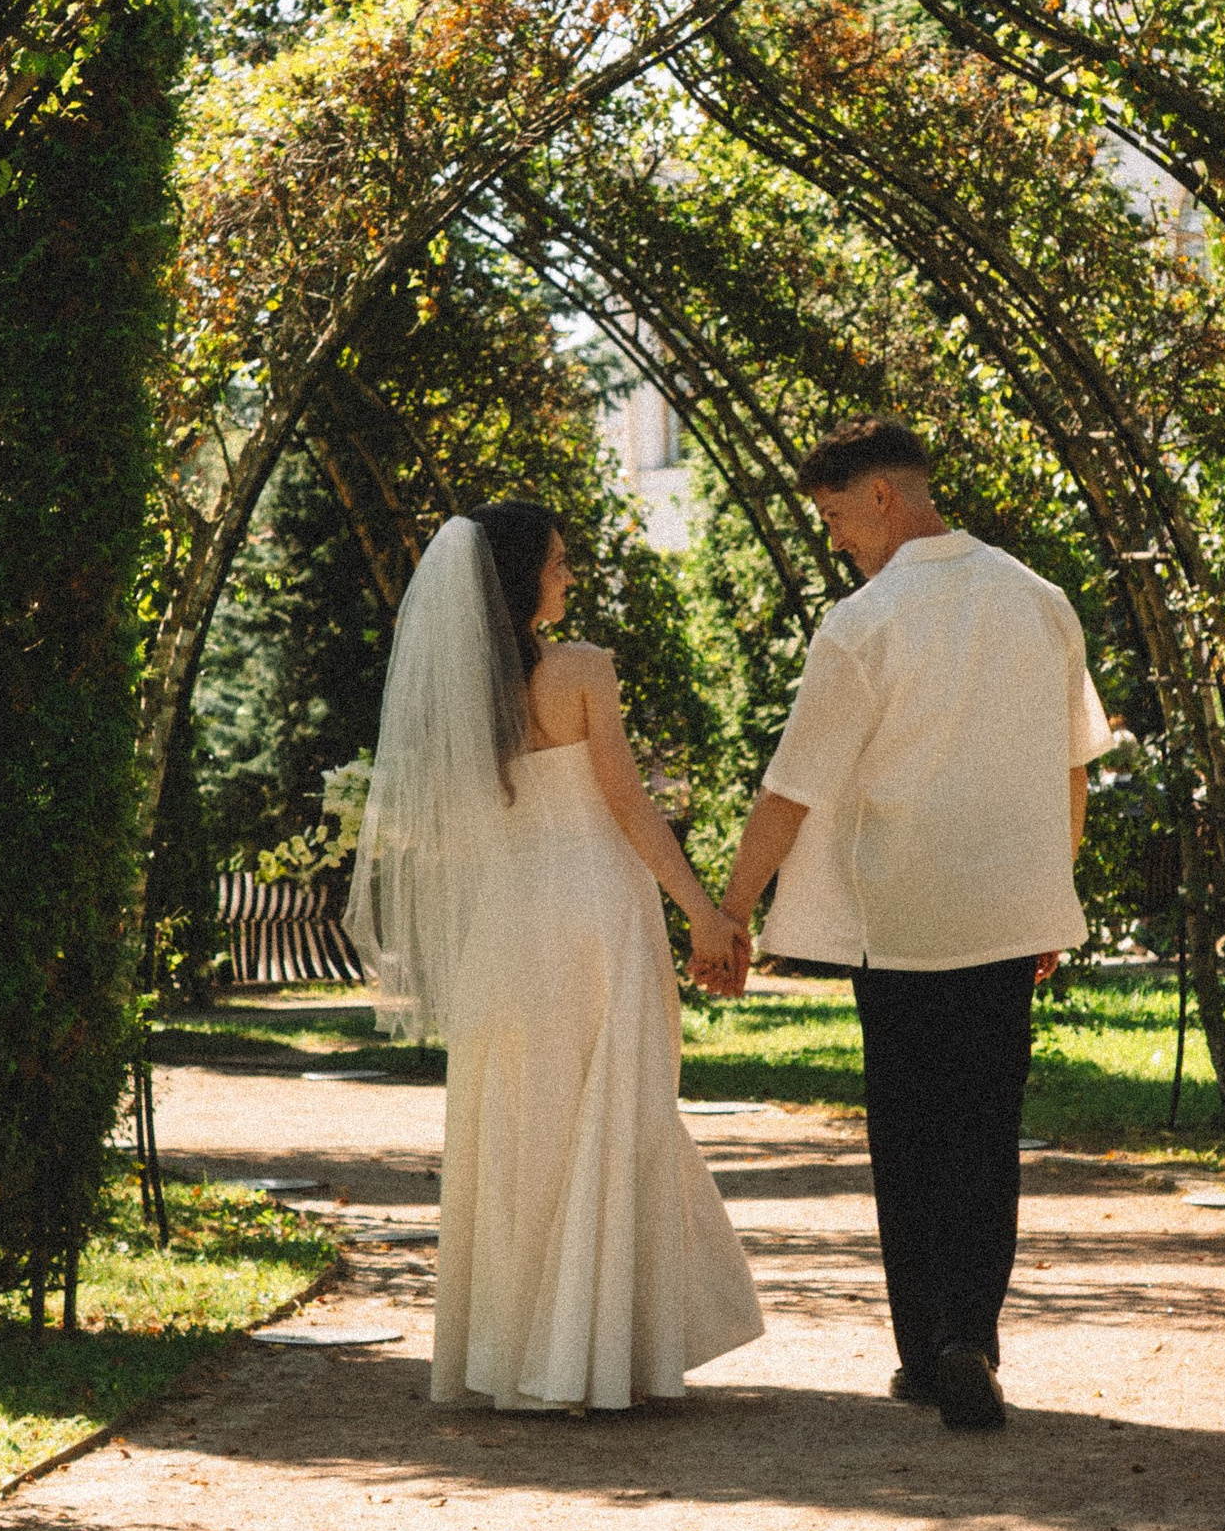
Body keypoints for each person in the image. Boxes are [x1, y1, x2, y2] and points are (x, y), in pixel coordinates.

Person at [715, 420, 1115, 1434]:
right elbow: (1071, 768)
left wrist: (728, 910)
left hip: (893, 919)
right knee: (985, 1132)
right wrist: (1049, 896)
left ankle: (923, 1348)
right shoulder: (1039, 600)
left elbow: (789, 789)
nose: (835, 539)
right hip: (1005, 916)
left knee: (908, 1132)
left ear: (885, 497)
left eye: (837, 516)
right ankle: (968, 1339)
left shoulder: (866, 622)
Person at [349, 500, 765, 1413]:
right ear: (520, 575)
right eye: (558, 562)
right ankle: (594, 1352)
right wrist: (706, 913)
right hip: (593, 912)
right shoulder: (582, 672)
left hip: (507, 924)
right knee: (613, 1110)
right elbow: (626, 805)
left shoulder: (463, 697)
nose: (569, 576)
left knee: (516, 1126)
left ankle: (512, 1353)